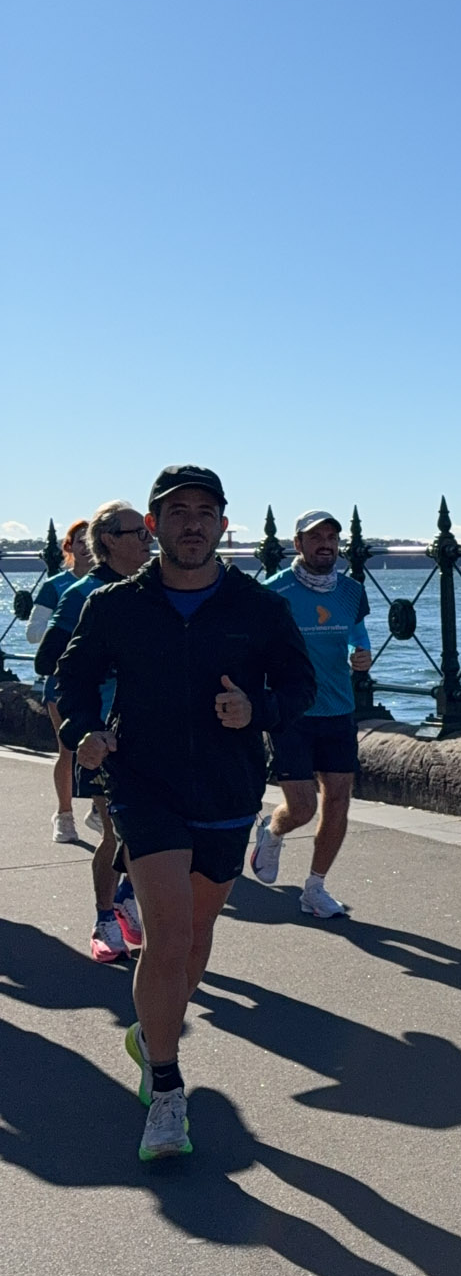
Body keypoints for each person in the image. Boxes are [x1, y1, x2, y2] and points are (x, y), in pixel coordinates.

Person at [57, 465, 316, 1162]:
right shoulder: (115, 605)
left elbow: (300, 685)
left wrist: (256, 710)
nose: (192, 523)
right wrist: (83, 730)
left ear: (223, 525)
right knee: (167, 936)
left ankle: (151, 1035)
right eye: (177, 512)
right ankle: (168, 1090)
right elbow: (71, 677)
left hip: (228, 790)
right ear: (153, 526)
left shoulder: (258, 607)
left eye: (204, 512)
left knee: (196, 936)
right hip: (145, 784)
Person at [37, 502, 154, 961]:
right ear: (109, 540)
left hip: (147, 729)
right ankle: (105, 917)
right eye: (138, 533)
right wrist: (104, 660)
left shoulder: (150, 589)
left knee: (153, 828)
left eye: (148, 531)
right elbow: (48, 661)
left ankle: (126, 895)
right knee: (115, 829)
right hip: (101, 734)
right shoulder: (82, 594)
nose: (148, 540)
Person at [252, 507, 372, 917]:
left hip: (338, 707)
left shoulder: (351, 590)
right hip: (291, 710)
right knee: (302, 808)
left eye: (331, 538)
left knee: (338, 799)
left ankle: (315, 888)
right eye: (316, 537)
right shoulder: (273, 592)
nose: (325, 545)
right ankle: (273, 829)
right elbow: (253, 647)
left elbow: (357, 633)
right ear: (298, 543)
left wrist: (361, 653)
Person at [30, 517, 92, 844]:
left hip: (104, 680)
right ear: (69, 546)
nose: (87, 546)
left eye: (92, 540)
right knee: (68, 747)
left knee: (112, 745)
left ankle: (100, 809)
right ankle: (64, 815)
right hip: (62, 679)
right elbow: (33, 634)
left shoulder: (114, 583)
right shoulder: (55, 587)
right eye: (80, 541)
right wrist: (68, 630)